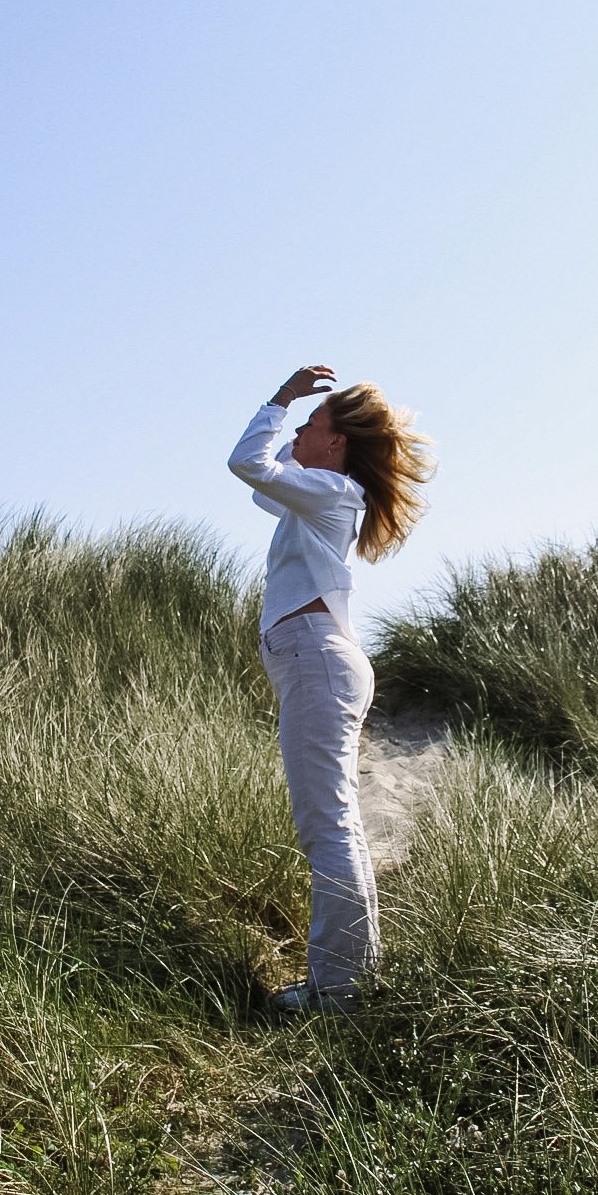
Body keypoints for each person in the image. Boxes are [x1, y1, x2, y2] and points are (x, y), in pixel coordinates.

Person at [227, 365, 434, 1013]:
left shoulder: (332, 492)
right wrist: (300, 425)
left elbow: (246, 462)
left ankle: (338, 994)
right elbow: (267, 481)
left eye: (313, 424)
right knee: (335, 828)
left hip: (316, 658)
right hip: (317, 659)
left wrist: (280, 399)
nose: (299, 428)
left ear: (337, 443)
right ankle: (350, 980)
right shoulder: (318, 494)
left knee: (329, 831)